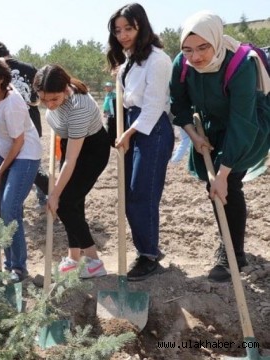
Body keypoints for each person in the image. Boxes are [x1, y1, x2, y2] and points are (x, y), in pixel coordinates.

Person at [170, 11, 270, 282]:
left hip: (247, 123)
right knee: (212, 186)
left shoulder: (240, 65)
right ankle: (228, 237)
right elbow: (177, 104)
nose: (196, 57)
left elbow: (242, 123)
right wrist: (193, 135)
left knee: (229, 184)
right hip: (210, 126)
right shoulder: (183, 64)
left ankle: (232, 254)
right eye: (188, 49)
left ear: (216, 39)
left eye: (203, 47)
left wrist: (224, 173)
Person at [106, 3, 174, 281]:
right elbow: (127, 101)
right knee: (129, 195)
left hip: (152, 129)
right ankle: (148, 248)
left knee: (141, 194)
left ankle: (148, 256)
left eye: (128, 29)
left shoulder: (158, 60)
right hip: (132, 124)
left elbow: (154, 105)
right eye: (118, 30)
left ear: (141, 26)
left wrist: (129, 133)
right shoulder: (128, 61)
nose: (123, 35)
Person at [33, 65, 110, 278]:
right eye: (44, 100)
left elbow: (72, 159)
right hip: (70, 144)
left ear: (66, 88)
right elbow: (67, 149)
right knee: (74, 203)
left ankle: (94, 262)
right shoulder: (53, 96)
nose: (49, 105)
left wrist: (54, 194)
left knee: (65, 204)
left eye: (54, 100)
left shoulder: (80, 108)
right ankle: (74, 257)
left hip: (91, 152)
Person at [0, 55, 42, 282]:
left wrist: (0, 172)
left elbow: (19, 142)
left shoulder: (13, 104)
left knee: (10, 208)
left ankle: (18, 268)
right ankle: (8, 263)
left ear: (2, 80)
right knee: (1, 211)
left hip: (25, 154)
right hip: (5, 155)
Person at [0, 40, 48, 208]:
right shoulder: (29, 68)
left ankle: (48, 195)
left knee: (25, 165)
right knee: (30, 165)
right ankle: (41, 197)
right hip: (31, 123)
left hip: (18, 126)